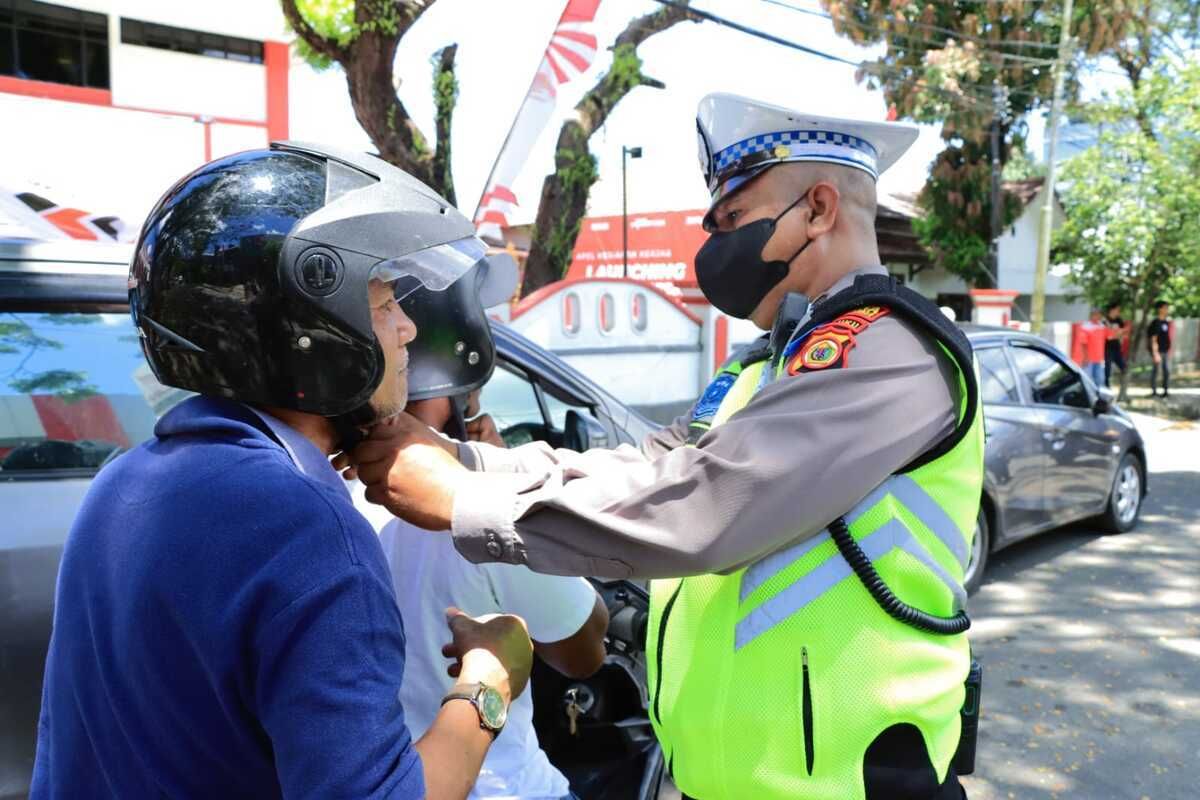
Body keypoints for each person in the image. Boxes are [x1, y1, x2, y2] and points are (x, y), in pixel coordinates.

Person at [341, 95, 986, 800]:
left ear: (820, 209)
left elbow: (707, 505)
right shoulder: (762, 367)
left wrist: (467, 501)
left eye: (732, 220)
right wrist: (464, 460)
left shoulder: (885, 352)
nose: (714, 245)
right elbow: (652, 465)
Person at [32, 144, 534, 800]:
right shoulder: (311, 534)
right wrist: (487, 683)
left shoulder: (122, 482)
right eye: (384, 304)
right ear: (311, 329)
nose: (408, 329)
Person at [361, 268, 608, 800]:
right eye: (470, 394)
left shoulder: (312, 485)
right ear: (456, 389)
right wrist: (496, 480)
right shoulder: (474, 506)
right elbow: (584, 651)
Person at [1148, 300, 1172, 397]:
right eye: (1165, 308)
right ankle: (1154, 392)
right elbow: (1153, 338)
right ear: (1160, 309)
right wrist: (1155, 353)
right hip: (1158, 351)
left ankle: (1165, 391)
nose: (1167, 310)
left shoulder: (1165, 321)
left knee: (1166, 371)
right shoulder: (1156, 322)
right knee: (1155, 371)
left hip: (1165, 350)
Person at [1104, 302, 1130, 387]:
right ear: (1112, 310)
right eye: (1117, 310)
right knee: (1107, 371)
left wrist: (1118, 333)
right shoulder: (1105, 321)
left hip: (1117, 348)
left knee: (1124, 368)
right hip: (1107, 349)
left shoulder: (1119, 320)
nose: (1119, 312)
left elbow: (1124, 334)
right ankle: (1107, 388)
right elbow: (1109, 336)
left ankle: (1122, 389)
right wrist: (1118, 333)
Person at [1080, 309, 1108, 387]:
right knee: (1087, 380)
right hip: (1089, 360)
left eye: (1099, 315)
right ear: (1091, 315)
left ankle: (1098, 398)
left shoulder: (1102, 326)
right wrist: (1085, 357)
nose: (1098, 316)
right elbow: (1083, 343)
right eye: (1096, 314)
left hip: (1099, 359)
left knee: (1099, 380)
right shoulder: (1086, 327)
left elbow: (1110, 336)